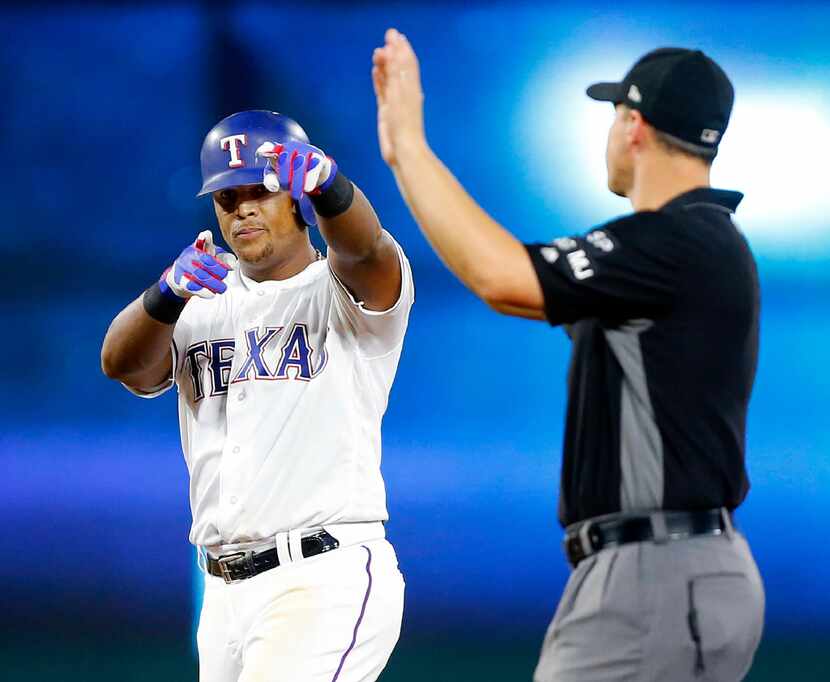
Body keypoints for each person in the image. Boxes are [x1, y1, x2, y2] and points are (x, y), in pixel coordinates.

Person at [372, 31, 763, 681]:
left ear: (633, 126)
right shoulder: (700, 246)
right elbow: (527, 293)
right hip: (684, 570)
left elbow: (500, 276)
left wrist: (408, 149)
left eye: (613, 115)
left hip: (652, 576)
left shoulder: (673, 243)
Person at [101, 109, 414, 682]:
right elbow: (123, 366)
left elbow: (368, 253)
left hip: (322, 578)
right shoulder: (199, 303)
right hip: (221, 597)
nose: (241, 207)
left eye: (259, 191)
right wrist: (167, 293)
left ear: (295, 198)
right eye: (227, 197)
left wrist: (334, 190)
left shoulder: (339, 290)